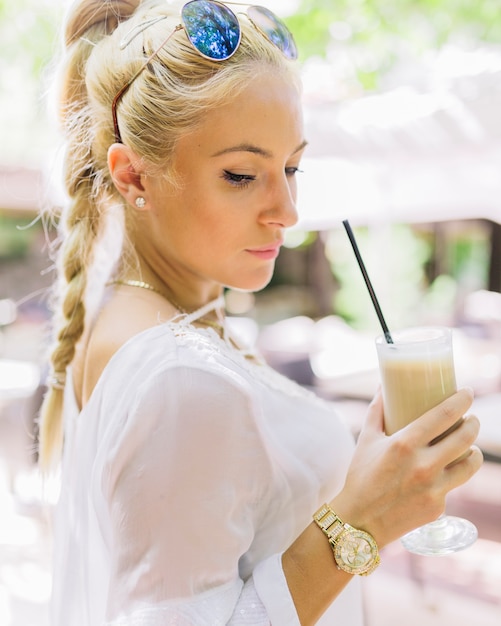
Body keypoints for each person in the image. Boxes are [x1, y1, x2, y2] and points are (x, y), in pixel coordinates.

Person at [38, 1, 483, 624]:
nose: (288, 209)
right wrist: (361, 520)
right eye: (243, 175)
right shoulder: (177, 376)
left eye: (291, 167)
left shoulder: (138, 322)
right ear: (134, 177)